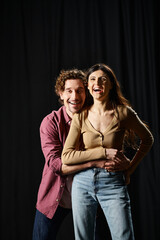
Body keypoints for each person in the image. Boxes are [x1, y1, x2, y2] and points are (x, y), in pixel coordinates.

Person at [32, 68, 130, 240]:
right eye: (69, 91)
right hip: (56, 197)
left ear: (87, 93)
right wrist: (93, 162)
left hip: (93, 194)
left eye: (80, 91)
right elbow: (56, 165)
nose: (75, 97)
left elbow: (113, 150)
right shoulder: (51, 122)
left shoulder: (96, 117)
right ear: (61, 94)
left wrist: (125, 164)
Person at [62, 63, 154, 240]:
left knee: (124, 236)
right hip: (82, 183)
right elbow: (66, 156)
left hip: (113, 183)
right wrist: (103, 153)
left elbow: (148, 139)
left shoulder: (123, 113)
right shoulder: (80, 116)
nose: (98, 83)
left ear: (111, 85)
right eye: (93, 79)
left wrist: (130, 169)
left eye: (103, 80)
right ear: (88, 86)